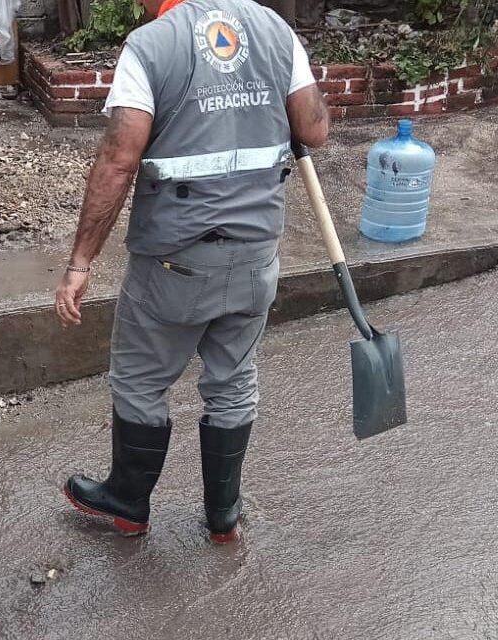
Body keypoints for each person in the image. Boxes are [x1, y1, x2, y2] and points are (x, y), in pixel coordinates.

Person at [53, 0, 329, 544]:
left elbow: (117, 161)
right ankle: (223, 515)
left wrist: (80, 261)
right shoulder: (274, 30)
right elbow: (314, 131)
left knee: (140, 379)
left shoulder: (152, 45)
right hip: (255, 255)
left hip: (175, 260)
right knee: (233, 384)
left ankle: (128, 503)